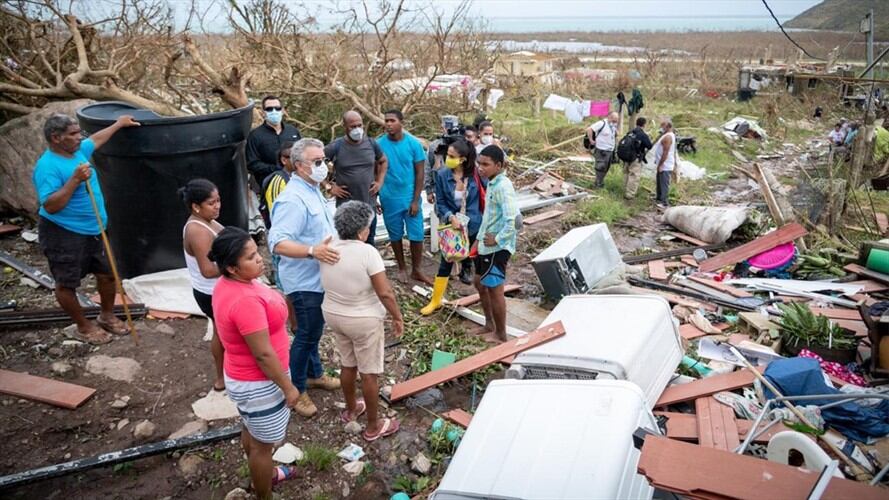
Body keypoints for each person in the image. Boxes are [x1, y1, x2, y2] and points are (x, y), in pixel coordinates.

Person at [32, 113, 140, 344]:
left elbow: (97, 139)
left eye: (79, 132)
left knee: (107, 274)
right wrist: (75, 180)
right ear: (56, 138)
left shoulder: (78, 150)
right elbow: (50, 206)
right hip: (64, 232)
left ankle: (106, 315)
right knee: (66, 283)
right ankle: (83, 326)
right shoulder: (47, 166)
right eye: (73, 134)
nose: (79, 137)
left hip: (95, 229)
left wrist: (119, 123)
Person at [209, 227, 298, 499]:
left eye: (256, 252)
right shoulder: (245, 300)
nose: (259, 258)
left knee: (251, 428)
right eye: (250, 257)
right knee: (262, 446)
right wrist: (288, 387)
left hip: (244, 377)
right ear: (232, 268)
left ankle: (263, 476)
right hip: (259, 383)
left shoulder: (227, 284)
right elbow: (263, 355)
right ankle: (264, 492)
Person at [268, 138, 342, 418]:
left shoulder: (312, 190)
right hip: (303, 281)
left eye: (325, 160)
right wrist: (312, 251)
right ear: (299, 166)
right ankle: (296, 388)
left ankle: (314, 374)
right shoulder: (292, 200)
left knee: (313, 332)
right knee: (306, 335)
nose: (324, 166)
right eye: (317, 162)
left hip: (318, 277)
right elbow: (278, 243)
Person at [320, 201, 404, 441]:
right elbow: (385, 292)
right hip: (363, 319)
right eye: (368, 227)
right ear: (361, 231)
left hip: (334, 315)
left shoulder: (327, 246)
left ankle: (351, 409)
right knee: (369, 373)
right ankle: (373, 426)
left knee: (348, 364)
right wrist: (397, 316)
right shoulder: (367, 252)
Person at [422, 140, 485, 316]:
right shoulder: (442, 175)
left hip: (474, 225)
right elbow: (441, 203)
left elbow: (487, 195)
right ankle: (435, 300)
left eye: (451, 156)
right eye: (447, 155)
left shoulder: (477, 174)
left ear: (463, 159)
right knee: (446, 262)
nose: (447, 159)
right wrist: (450, 216)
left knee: (479, 261)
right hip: (453, 227)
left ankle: (485, 297)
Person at [179, 179, 226, 392]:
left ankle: (227, 374)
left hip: (216, 289)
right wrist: (236, 265)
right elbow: (207, 270)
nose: (217, 206)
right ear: (196, 206)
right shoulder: (197, 230)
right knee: (222, 333)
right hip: (211, 292)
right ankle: (221, 378)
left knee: (224, 332)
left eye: (218, 200)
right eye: (211, 203)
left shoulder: (207, 221)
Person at [377, 110, 432, 285]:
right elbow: (375, 171)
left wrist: (415, 200)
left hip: (409, 197)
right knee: (395, 234)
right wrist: (375, 196)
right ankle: (402, 267)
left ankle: (417, 269)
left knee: (416, 233)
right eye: (386, 121)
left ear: (401, 122)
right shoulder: (379, 145)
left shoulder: (413, 144)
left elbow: (420, 173)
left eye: (392, 120)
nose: (388, 124)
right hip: (389, 197)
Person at [474, 145, 518, 343]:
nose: (480, 168)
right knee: (479, 282)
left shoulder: (503, 187)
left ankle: (501, 334)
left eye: (486, 164)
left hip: (496, 248)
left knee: (495, 289)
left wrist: (498, 239)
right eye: (479, 163)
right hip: (485, 245)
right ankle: (489, 323)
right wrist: (478, 240)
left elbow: (514, 221)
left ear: (499, 165)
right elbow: (489, 217)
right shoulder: (492, 182)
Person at [323, 110, 388, 246]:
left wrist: (379, 182)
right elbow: (313, 163)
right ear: (345, 127)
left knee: (369, 242)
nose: (357, 129)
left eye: (360, 125)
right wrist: (329, 187)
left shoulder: (371, 143)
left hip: (368, 204)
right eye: (353, 126)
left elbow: (383, 161)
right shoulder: (336, 146)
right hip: (347, 207)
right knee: (348, 244)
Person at [246, 96, 301, 194]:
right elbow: (252, 164)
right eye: (269, 109)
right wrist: (277, 169)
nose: (274, 111)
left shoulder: (293, 131)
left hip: (296, 183)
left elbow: (302, 154)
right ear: (263, 112)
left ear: (282, 110)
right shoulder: (255, 136)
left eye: (277, 108)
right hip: (270, 186)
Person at [259, 142, 295, 229]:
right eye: (294, 157)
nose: (299, 160)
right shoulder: (278, 180)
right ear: (284, 160)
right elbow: (277, 214)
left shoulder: (300, 178)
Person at [623, 116, 653, 200]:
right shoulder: (642, 134)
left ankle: (625, 190)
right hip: (636, 158)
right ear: (644, 124)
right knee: (634, 176)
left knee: (626, 174)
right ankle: (630, 194)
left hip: (626, 157)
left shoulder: (630, 132)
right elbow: (649, 146)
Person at [587, 111, 619, 188]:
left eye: (616, 120)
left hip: (610, 150)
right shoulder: (602, 123)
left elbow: (615, 134)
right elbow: (589, 129)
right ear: (609, 117)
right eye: (614, 120)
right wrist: (591, 140)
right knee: (600, 167)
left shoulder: (613, 126)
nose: (615, 122)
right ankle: (597, 184)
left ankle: (600, 182)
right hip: (601, 150)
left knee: (606, 168)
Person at [653, 118, 677, 209]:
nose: (661, 127)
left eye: (663, 125)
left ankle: (664, 202)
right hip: (662, 163)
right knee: (659, 182)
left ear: (667, 127)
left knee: (664, 183)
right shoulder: (666, 135)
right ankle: (659, 198)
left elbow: (665, 152)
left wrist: (661, 164)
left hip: (665, 165)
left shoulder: (668, 137)